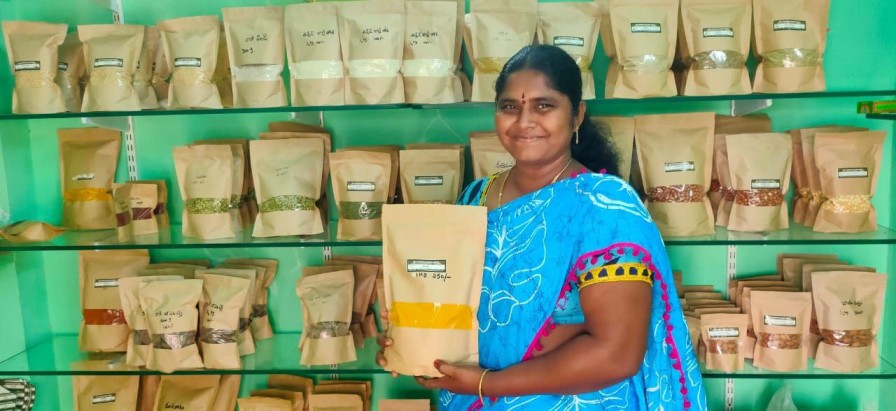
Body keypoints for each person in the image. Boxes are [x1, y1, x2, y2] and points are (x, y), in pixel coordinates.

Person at [377, 44, 706, 410]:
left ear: (577, 115)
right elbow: (456, 303)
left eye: (544, 105)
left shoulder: (605, 207)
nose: (524, 121)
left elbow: (617, 353)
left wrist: (490, 384)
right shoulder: (475, 196)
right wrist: (411, 334)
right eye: (509, 106)